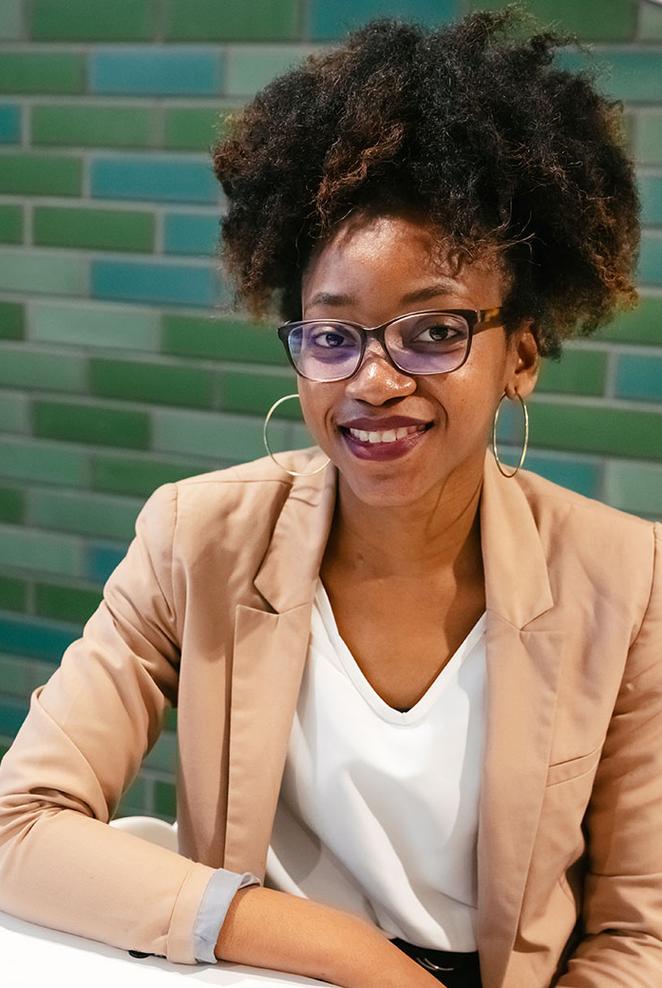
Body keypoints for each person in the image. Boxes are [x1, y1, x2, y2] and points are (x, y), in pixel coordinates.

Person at [0, 7, 660, 988]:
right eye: (332, 333)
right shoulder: (198, 537)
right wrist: (349, 955)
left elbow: (632, 936)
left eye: (432, 331)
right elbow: (20, 825)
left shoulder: (626, 577)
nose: (373, 378)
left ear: (519, 354)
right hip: (255, 965)